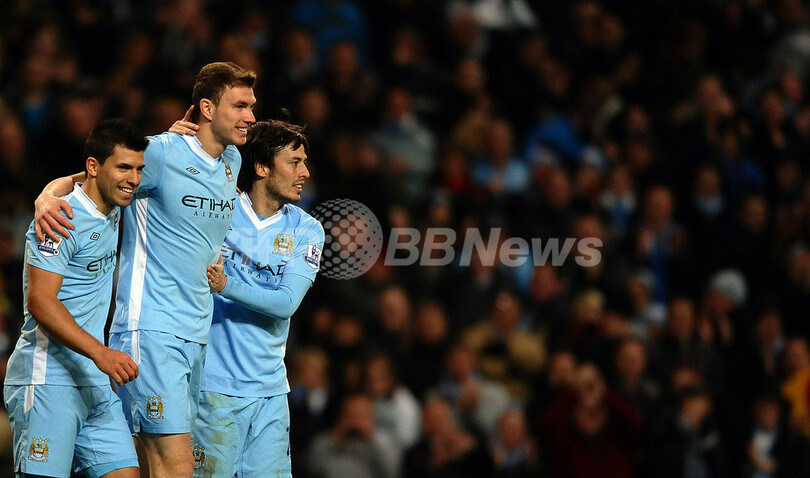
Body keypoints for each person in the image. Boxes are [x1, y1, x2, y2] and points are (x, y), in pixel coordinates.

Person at [33, 62, 258, 478]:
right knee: (176, 467)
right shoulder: (160, 153)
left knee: (140, 464)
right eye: (241, 106)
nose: (251, 116)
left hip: (196, 331)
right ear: (207, 108)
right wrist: (46, 196)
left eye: (251, 106)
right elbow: (95, 175)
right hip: (150, 329)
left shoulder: (233, 159)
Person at [169, 118, 323, 477]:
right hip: (214, 389)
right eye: (294, 162)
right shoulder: (219, 209)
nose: (306, 173)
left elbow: (286, 303)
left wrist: (226, 286)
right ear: (261, 167)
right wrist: (172, 142)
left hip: (270, 393)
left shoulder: (306, 228)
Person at [4, 118, 147, 478]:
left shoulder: (112, 205)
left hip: (94, 382)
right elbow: (40, 301)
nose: (133, 179)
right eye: (124, 168)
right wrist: (102, 353)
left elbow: (74, 180)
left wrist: (47, 190)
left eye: (139, 169)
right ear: (94, 167)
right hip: (48, 377)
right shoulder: (59, 219)